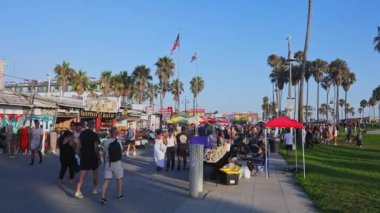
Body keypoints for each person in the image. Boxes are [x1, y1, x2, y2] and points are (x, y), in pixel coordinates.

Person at [75, 121, 101, 199]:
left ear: (87, 126)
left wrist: (78, 153)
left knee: (82, 174)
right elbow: (95, 147)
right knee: (95, 172)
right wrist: (99, 157)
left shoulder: (82, 133)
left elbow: (78, 145)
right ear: (93, 126)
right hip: (92, 156)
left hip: (84, 155)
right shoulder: (94, 135)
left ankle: (78, 191)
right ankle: (95, 188)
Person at [100, 127, 124, 204]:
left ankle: (103, 197)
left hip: (108, 163)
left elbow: (103, 154)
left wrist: (104, 161)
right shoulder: (119, 142)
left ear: (110, 133)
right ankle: (119, 195)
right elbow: (121, 152)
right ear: (116, 134)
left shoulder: (106, 142)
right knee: (119, 179)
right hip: (117, 163)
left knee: (106, 180)